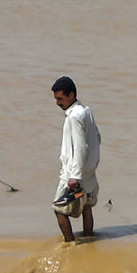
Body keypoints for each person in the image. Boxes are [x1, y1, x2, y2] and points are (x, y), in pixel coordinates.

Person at [51, 76, 101, 242]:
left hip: (74, 173)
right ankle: (89, 239)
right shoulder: (86, 110)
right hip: (89, 171)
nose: (57, 103)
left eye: (60, 98)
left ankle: (70, 243)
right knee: (86, 206)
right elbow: (97, 138)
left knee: (59, 209)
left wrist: (75, 176)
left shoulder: (73, 116)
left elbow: (80, 147)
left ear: (71, 95)